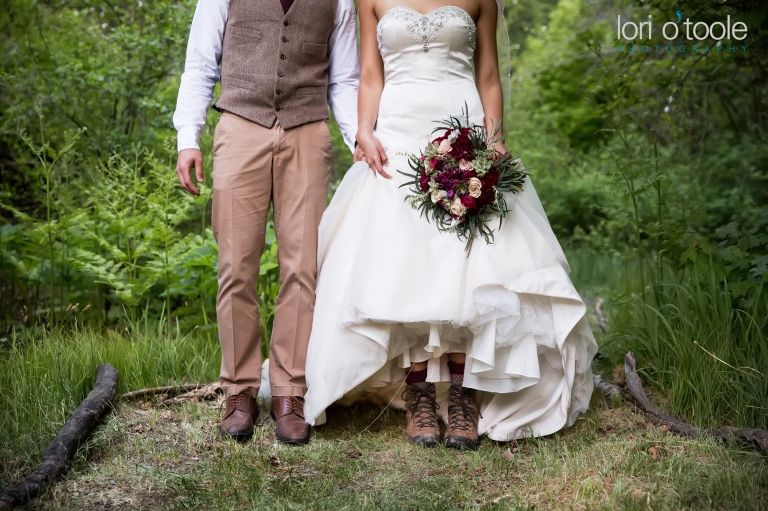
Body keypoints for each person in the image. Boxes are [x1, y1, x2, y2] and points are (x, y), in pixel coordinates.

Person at [302, 0, 598, 449]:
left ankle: (462, 396)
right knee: (408, 262)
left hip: (463, 132)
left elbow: (489, 77)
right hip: (398, 137)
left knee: (466, 261)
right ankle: (419, 393)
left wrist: (493, 141)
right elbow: (369, 75)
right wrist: (365, 127)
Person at [173, 0, 361, 445]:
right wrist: (188, 137)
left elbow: (345, 80)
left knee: (303, 269)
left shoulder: (340, 2)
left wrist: (357, 142)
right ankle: (238, 392)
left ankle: (289, 393)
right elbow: (200, 63)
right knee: (236, 267)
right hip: (240, 127)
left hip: (308, 131)